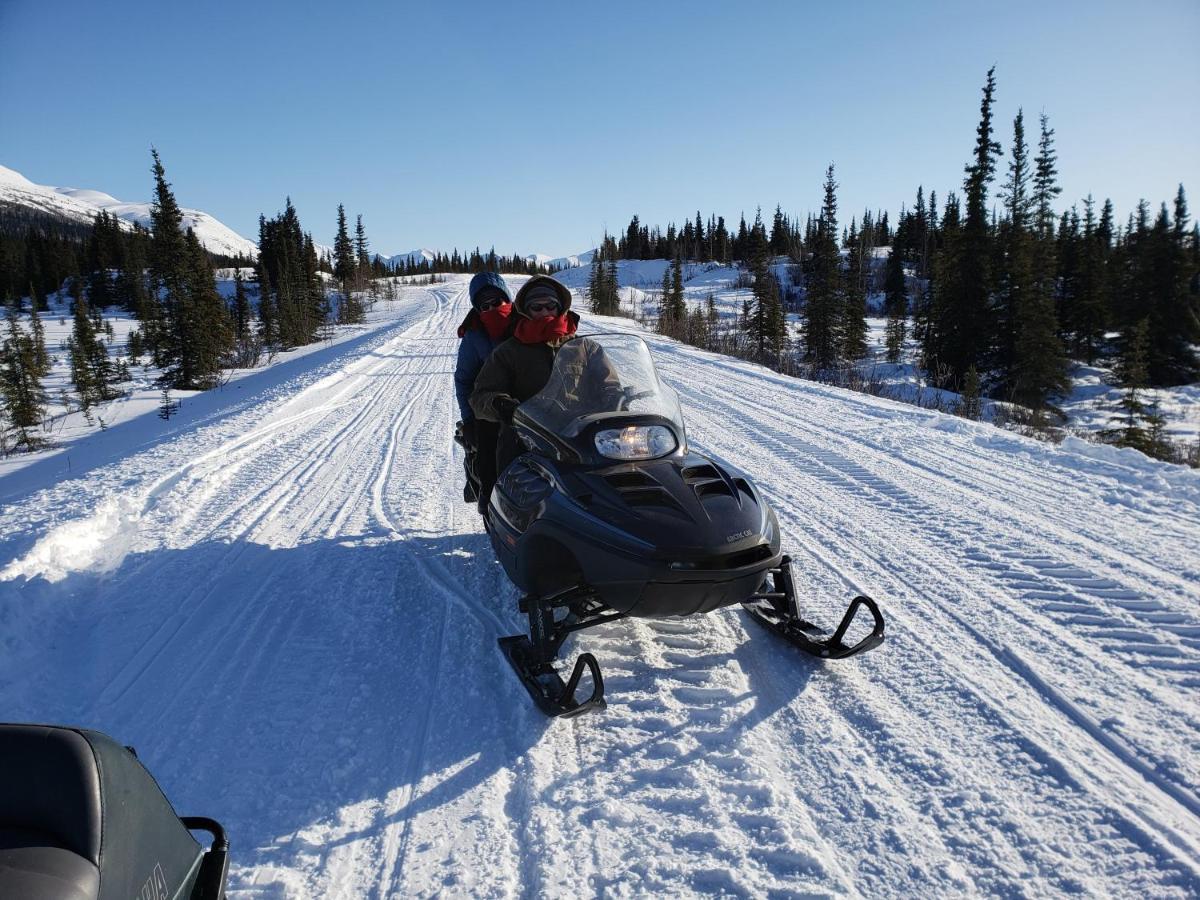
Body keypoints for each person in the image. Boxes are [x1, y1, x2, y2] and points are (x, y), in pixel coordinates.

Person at [471, 275, 622, 496]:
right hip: (527, 439)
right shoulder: (508, 351)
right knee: (517, 499)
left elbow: (610, 384)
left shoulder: (585, 347)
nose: (545, 313)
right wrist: (500, 404)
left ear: (560, 307)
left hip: (582, 438)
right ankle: (496, 511)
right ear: (526, 310)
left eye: (550, 306)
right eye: (537, 307)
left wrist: (615, 398)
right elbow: (480, 395)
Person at [455, 271, 514, 511]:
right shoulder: (474, 334)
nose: (491, 309)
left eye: (497, 302)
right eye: (484, 306)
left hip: (529, 399)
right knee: (490, 449)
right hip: (489, 404)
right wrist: (469, 420)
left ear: (507, 300)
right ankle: (488, 502)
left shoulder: (524, 322)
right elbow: (463, 379)